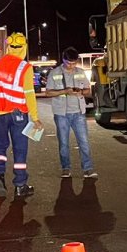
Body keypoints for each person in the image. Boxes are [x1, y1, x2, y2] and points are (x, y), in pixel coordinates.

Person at [0, 32, 42, 198]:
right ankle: (20, 185)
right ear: (24, 48)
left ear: (9, 46)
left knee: (0, 146)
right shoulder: (25, 67)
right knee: (20, 149)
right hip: (18, 114)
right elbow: (29, 93)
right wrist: (35, 118)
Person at [45, 47, 96, 179]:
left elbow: (88, 90)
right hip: (61, 114)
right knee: (63, 143)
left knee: (84, 142)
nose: (71, 66)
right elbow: (48, 92)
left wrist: (81, 91)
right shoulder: (55, 73)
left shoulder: (80, 72)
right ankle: (65, 168)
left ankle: (88, 169)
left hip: (78, 112)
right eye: (69, 63)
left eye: (74, 63)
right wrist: (64, 91)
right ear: (63, 60)